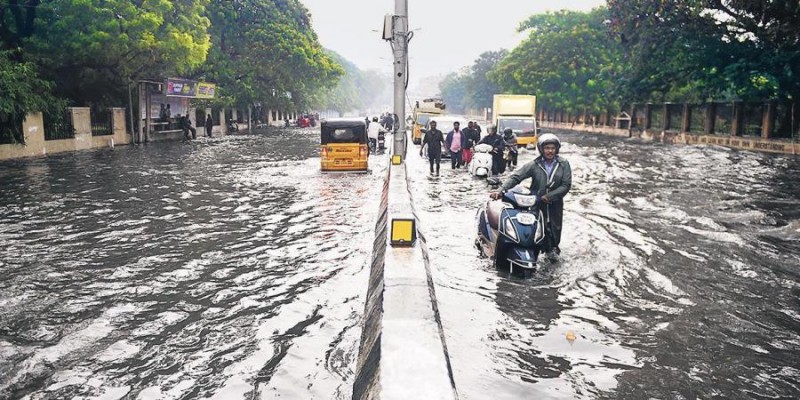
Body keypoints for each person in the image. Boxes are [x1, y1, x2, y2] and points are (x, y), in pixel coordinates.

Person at [490, 133, 572, 260]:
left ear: (557, 149)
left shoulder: (563, 164)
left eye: (552, 148)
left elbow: (566, 185)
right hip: (537, 203)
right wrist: (501, 190)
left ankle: (553, 253)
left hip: (555, 204)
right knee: (535, 229)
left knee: (555, 229)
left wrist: (549, 196)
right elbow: (516, 177)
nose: (550, 151)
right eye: (547, 148)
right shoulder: (535, 164)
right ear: (541, 149)